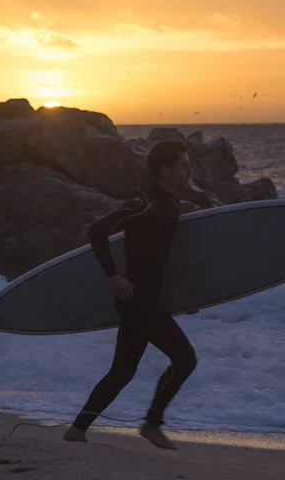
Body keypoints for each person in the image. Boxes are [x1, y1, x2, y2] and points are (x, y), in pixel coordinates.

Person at [64, 140, 198, 450]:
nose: (188, 171)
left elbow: (165, 261)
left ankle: (77, 429)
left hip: (143, 299)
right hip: (137, 299)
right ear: (165, 170)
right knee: (185, 359)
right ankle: (152, 423)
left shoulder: (172, 204)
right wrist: (113, 275)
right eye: (183, 166)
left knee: (122, 371)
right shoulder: (145, 203)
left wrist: (189, 297)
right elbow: (98, 231)